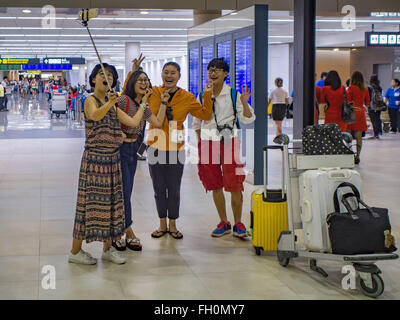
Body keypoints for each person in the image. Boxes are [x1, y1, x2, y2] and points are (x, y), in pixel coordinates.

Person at [69, 63, 149, 265]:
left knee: (113, 206)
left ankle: (107, 249)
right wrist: (109, 103)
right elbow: (94, 115)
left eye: (112, 76)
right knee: (87, 207)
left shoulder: (112, 103)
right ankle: (75, 252)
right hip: (95, 161)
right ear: (94, 79)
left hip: (113, 159)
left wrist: (144, 103)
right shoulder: (90, 100)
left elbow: (133, 122)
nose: (108, 78)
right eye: (102, 75)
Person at [138, 60, 213, 240]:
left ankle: (173, 224)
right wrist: (134, 71)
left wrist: (207, 96)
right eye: (166, 72)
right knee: (158, 188)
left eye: (173, 72)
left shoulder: (186, 97)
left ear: (179, 76)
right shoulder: (153, 92)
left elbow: (205, 115)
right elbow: (132, 90)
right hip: (155, 147)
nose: (169, 75)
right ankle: (162, 223)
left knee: (174, 188)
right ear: (162, 75)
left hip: (176, 148)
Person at [193, 58, 255, 238]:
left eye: (217, 70)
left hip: (229, 143)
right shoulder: (202, 95)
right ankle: (223, 222)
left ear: (225, 73)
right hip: (207, 143)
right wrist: (200, 144)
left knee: (235, 183)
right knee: (214, 184)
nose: (213, 73)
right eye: (210, 70)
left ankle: (238, 223)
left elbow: (248, 119)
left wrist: (244, 102)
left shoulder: (233, 94)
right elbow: (197, 123)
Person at [112, 70, 167, 251]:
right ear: (132, 83)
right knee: (123, 193)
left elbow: (158, 122)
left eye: (146, 80)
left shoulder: (142, 105)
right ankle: (126, 232)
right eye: (140, 80)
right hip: (120, 150)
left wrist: (164, 103)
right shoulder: (123, 101)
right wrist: (120, 134)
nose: (144, 83)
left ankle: (122, 231)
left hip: (133, 152)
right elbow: (110, 118)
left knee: (126, 192)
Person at [346, 71, 369, 165]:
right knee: (359, 137)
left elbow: (348, 101)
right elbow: (367, 103)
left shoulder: (351, 88)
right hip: (360, 113)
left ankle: (349, 153)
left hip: (351, 113)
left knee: (348, 135)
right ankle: (357, 156)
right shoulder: (365, 89)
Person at [367, 74, 384, 139]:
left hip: (372, 106)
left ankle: (375, 133)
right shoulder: (379, 87)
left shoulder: (369, 87)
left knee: (373, 120)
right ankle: (379, 132)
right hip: (379, 105)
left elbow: (368, 97)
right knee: (378, 119)